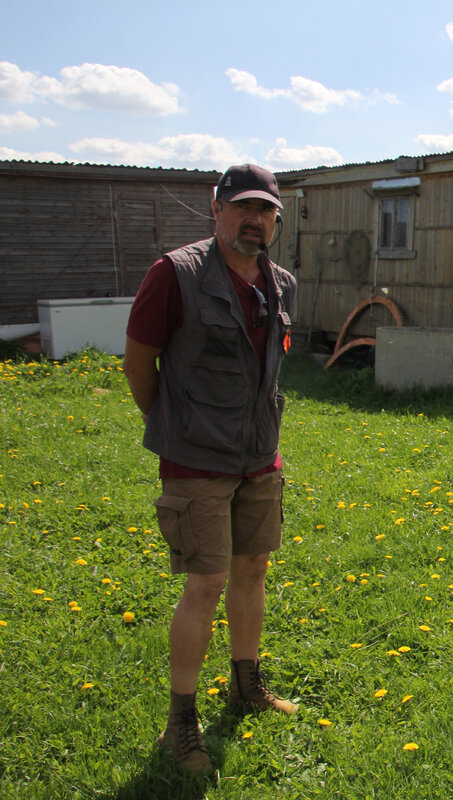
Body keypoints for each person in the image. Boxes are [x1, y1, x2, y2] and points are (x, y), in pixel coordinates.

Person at [123, 164, 298, 776]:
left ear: (277, 218)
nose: (254, 220)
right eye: (242, 207)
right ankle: (181, 721)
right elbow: (139, 363)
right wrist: (175, 424)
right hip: (196, 458)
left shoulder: (281, 284)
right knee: (206, 582)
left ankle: (246, 683)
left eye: (266, 210)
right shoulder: (174, 274)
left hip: (258, 454)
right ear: (217, 208)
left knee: (252, 569)